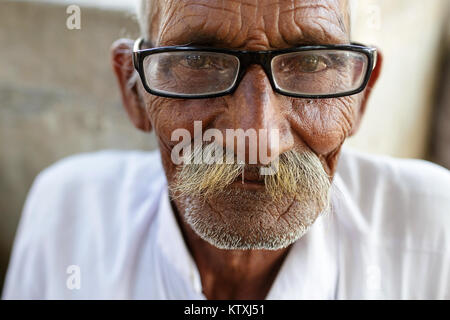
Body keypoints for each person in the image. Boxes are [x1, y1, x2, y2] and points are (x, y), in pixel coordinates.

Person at [3, 0, 450, 299]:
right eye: (199, 61)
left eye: (310, 61)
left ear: (359, 97)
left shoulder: (434, 231)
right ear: (134, 92)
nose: (258, 134)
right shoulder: (66, 216)